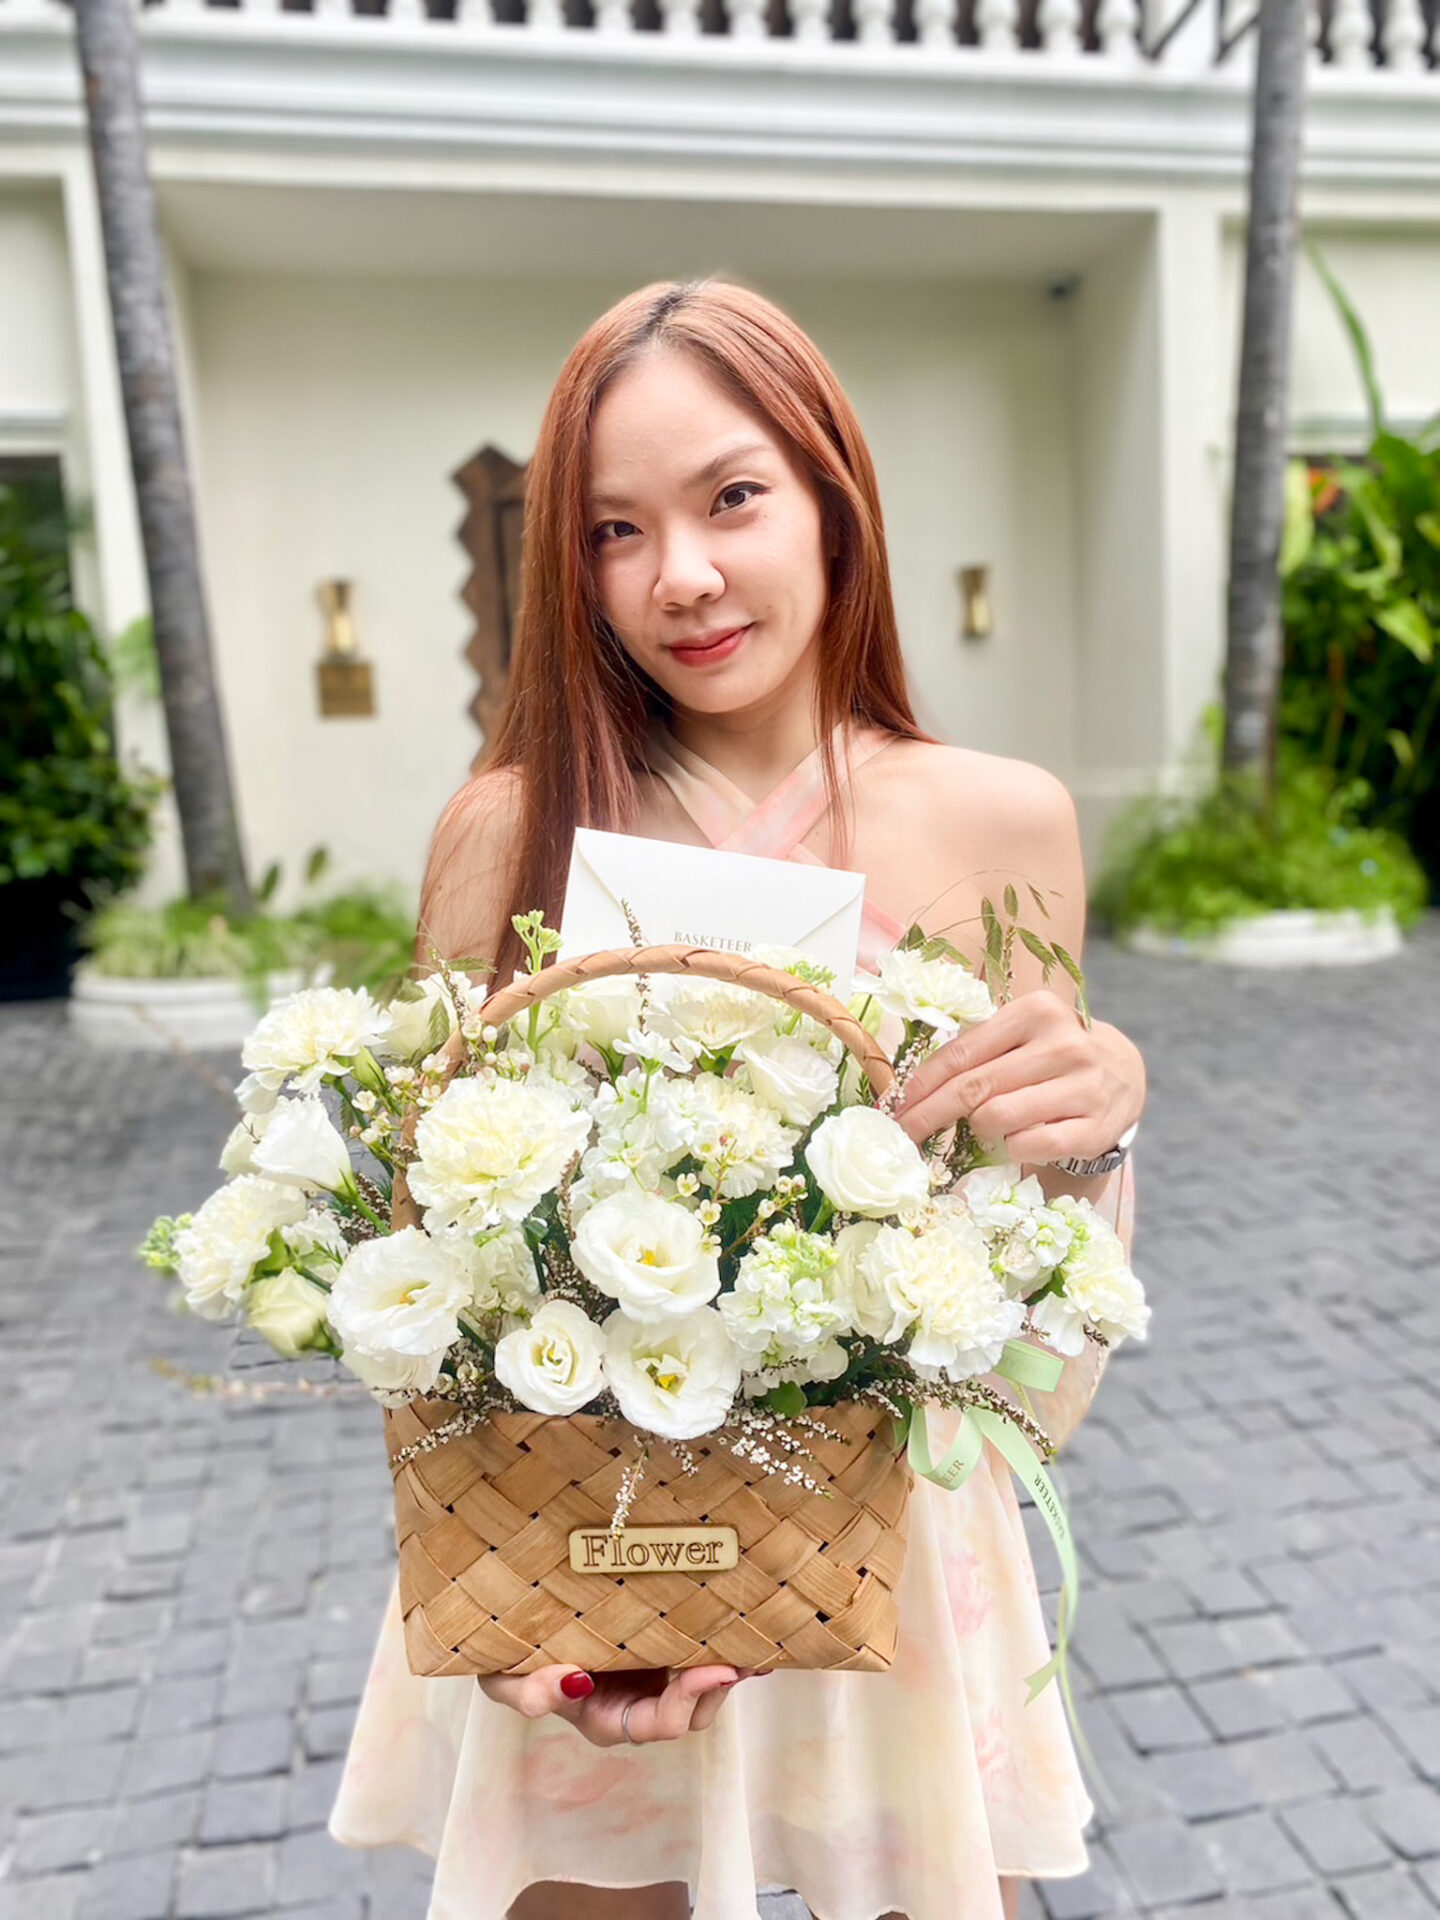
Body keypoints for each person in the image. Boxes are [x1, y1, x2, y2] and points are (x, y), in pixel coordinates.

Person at [329, 279, 1147, 1920]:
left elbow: (1030, 1274)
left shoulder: (1002, 821)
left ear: (836, 500)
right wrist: (518, 1605)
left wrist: (1098, 1115)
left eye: (732, 498)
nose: (681, 576)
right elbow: (430, 1262)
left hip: (886, 1552)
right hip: (593, 1551)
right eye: (614, 531)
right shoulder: (507, 830)